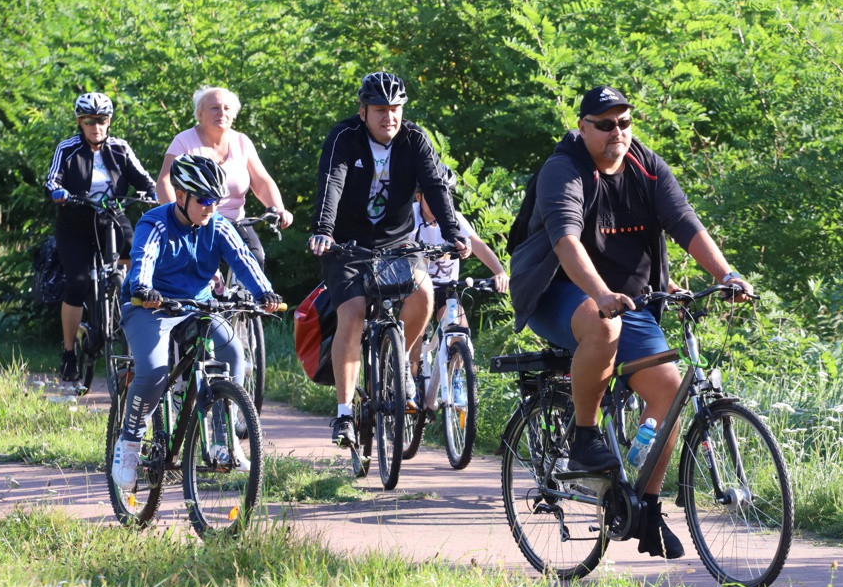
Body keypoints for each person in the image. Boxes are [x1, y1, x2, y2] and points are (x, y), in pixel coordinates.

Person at [509, 85, 754, 559]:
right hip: (555, 291)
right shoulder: (564, 169)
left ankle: (643, 506)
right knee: (602, 326)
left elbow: (685, 223)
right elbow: (565, 240)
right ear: (583, 127)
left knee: (668, 392)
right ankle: (584, 437)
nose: (616, 133)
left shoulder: (645, 164)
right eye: (604, 125)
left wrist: (726, 274)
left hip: (627, 300)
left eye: (623, 122)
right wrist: (599, 294)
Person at [308, 71, 469, 448]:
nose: (389, 117)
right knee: (353, 312)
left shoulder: (415, 140)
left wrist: (451, 233)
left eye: (395, 109)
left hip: (396, 242)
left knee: (423, 294)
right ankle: (345, 412)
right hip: (346, 244)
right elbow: (331, 180)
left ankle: (404, 366)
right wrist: (323, 230)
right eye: (380, 109)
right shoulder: (344, 137)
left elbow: (434, 185)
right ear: (363, 111)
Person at [110, 154, 282, 489]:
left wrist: (264, 292)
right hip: (148, 306)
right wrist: (144, 288)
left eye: (216, 200)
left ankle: (220, 440)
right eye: (203, 199)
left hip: (196, 307)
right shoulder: (155, 222)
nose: (211, 207)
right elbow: (143, 258)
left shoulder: (217, 225)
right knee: (154, 372)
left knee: (233, 354)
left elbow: (243, 259)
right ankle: (129, 442)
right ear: (180, 195)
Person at [44, 92, 157, 382]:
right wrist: (58, 192)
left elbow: (144, 179)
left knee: (139, 261)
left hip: (111, 217)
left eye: (102, 120)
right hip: (76, 222)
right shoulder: (67, 149)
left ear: (109, 121)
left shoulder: (120, 148)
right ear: (79, 122)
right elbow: (52, 179)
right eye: (89, 121)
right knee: (77, 283)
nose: (96, 126)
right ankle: (69, 352)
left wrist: (153, 195)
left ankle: (136, 326)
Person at [155, 86, 293, 268]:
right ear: (200, 114)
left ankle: (248, 296)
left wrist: (278, 208)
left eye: (227, 108)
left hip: (235, 222)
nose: (221, 113)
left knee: (255, 259)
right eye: (214, 108)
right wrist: (178, 218)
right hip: (197, 222)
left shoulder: (242, 142)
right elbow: (164, 182)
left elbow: (262, 181)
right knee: (200, 268)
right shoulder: (184, 141)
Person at [407, 171, 509, 402]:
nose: (438, 203)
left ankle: (456, 379)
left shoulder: (455, 219)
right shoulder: (410, 217)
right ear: (419, 197)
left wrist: (500, 272)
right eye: (431, 197)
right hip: (416, 289)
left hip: (446, 288)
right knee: (415, 336)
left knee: (459, 332)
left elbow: (479, 246)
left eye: (443, 196)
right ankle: (411, 384)